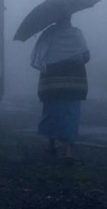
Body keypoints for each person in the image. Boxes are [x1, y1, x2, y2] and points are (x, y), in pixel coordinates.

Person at [30, 14, 90, 164]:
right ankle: (69, 152)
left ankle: (52, 146)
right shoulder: (77, 33)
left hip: (53, 80)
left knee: (52, 109)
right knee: (71, 113)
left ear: (56, 19)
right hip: (74, 80)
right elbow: (87, 56)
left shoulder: (49, 33)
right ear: (70, 18)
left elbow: (40, 54)